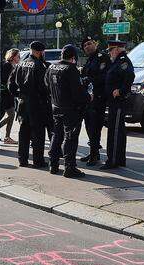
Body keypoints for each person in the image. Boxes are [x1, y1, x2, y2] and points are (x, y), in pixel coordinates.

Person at [45, 44, 91, 178]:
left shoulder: (51, 67)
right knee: (70, 138)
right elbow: (77, 93)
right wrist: (88, 97)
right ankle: (69, 167)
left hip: (56, 106)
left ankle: (53, 165)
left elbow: (46, 85)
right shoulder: (71, 69)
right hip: (70, 109)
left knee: (56, 135)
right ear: (73, 57)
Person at [8, 41, 48, 168]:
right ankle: (38, 161)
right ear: (40, 51)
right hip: (36, 103)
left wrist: (18, 95)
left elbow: (11, 84)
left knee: (23, 132)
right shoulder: (39, 65)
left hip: (22, 103)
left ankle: (22, 159)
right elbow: (44, 87)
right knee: (38, 133)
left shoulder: (20, 63)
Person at [101, 40, 134, 170]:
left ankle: (113, 160)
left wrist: (120, 91)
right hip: (114, 101)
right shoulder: (117, 61)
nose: (109, 53)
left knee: (114, 132)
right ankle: (119, 159)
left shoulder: (123, 61)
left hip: (118, 102)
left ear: (117, 49)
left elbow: (130, 76)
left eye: (111, 50)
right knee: (118, 131)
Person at [80, 36, 111, 166]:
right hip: (88, 98)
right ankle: (94, 152)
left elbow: (104, 76)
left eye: (89, 44)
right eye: (85, 45)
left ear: (95, 44)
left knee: (95, 126)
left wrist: (89, 79)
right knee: (88, 126)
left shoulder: (102, 58)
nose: (87, 46)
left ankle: (95, 154)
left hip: (98, 98)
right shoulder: (89, 61)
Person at [0, 49, 19, 145]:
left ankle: (7, 137)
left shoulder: (11, 65)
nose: (19, 58)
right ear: (12, 56)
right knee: (11, 115)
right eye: (17, 56)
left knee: (9, 115)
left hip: (8, 94)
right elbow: (6, 81)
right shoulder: (7, 65)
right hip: (6, 95)